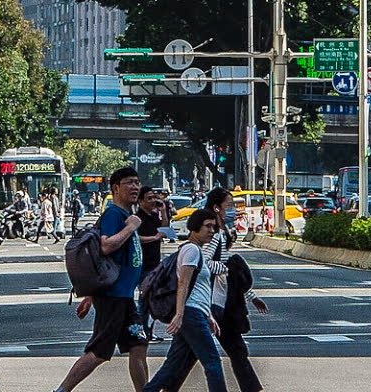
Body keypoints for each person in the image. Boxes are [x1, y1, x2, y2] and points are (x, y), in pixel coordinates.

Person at [160, 189, 266, 392]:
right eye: (229, 204)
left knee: (196, 353)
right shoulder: (214, 234)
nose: (233, 208)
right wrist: (228, 268)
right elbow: (205, 263)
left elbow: (228, 278)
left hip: (216, 301)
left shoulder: (220, 231)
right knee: (220, 353)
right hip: (212, 303)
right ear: (217, 207)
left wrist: (250, 296)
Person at [54, 167, 148, 392]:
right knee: (98, 352)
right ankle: (61, 390)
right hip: (114, 297)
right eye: (129, 183)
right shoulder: (114, 214)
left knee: (138, 345)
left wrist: (90, 295)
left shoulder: (125, 216)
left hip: (124, 297)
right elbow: (106, 246)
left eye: (137, 182)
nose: (135, 187)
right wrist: (131, 228)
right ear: (116, 188)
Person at [140, 210, 227, 392]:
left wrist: (208, 316)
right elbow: (183, 283)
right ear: (195, 227)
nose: (212, 231)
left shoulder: (197, 251)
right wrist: (179, 315)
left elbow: (197, 288)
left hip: (195, 312)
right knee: (212, 362)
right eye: (207, 226)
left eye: (214, 227)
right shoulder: (191, 250)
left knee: (173, 364)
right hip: (190, 313)